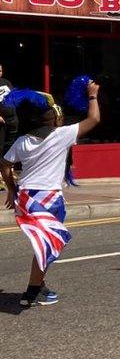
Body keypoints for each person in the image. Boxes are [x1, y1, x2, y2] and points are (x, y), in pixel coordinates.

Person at [1, 82, 100, 307]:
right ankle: (33, 292)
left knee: (44, 246)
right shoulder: (61, 135)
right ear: (50, 118)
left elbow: (5, 164)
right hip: (49, 200)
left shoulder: (22, 141)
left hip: (25, 200)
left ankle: (38, 286)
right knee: (47, 246)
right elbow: (94, 120)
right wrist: (93, 96)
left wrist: (11, 188)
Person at [0, 63, 18, 157]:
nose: (0, 73)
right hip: (1, 121)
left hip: (12, 118)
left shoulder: (6, 82)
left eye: (1, 71)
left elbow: (13, 96)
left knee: (11, 143)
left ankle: (7, 166)